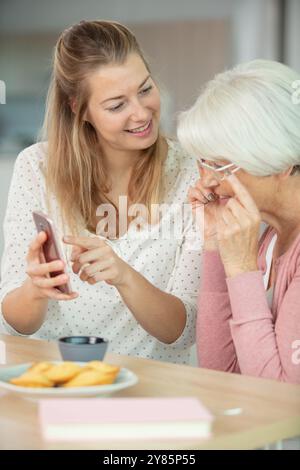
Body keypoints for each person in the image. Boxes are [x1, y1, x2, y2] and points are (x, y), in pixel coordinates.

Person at [0, 20, 202, 365]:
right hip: (61, 383)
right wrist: (36, 289)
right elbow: (15, 324)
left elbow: (181, 332)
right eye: (116, 105)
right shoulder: (36, 168)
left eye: (144, 89)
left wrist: (123, 275)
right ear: (79, 109)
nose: (141, 113)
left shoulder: (192, 172)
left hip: (156, 392)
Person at [178, 59, 300, 382]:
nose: (208, 181)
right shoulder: (271, 237)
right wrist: (216, 244)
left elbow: (282, 398)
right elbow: (221, 373)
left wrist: (242, 268)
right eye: (204, 163)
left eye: (221, 166)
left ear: (282, 162)